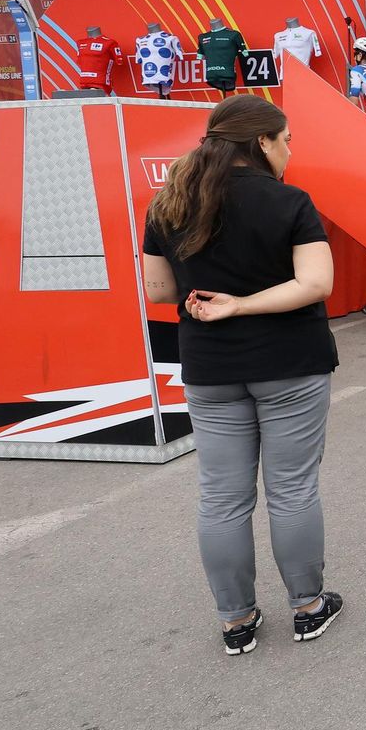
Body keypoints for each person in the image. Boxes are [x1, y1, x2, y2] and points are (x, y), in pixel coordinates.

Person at [138, 95, 343, 656]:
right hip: (290, 363)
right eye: (286, 140)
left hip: (211, 368)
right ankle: (307, 608)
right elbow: (316, 283)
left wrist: (211, 299)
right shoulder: (289, 201)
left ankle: (236, 621)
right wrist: (244, 304)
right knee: (292, 489)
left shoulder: (169, 203)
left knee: (222, 497)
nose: (289, 150)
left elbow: (158, 291)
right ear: (262, 142)